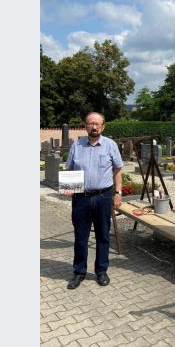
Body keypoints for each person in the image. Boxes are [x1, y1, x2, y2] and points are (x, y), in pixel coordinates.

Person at [64, 112, 124, 289]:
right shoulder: (77, 145)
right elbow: (69, 168)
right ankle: (79, 272)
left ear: (103, 126)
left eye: (97, 124)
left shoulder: (110, 145)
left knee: (103, 235)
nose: (94, 127)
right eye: (91, 123)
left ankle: (101, 271)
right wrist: (68, 187)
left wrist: (118, 193)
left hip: (103, 196)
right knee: (81, 236)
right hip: (81, 197)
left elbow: (118, 170)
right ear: (85, 125)